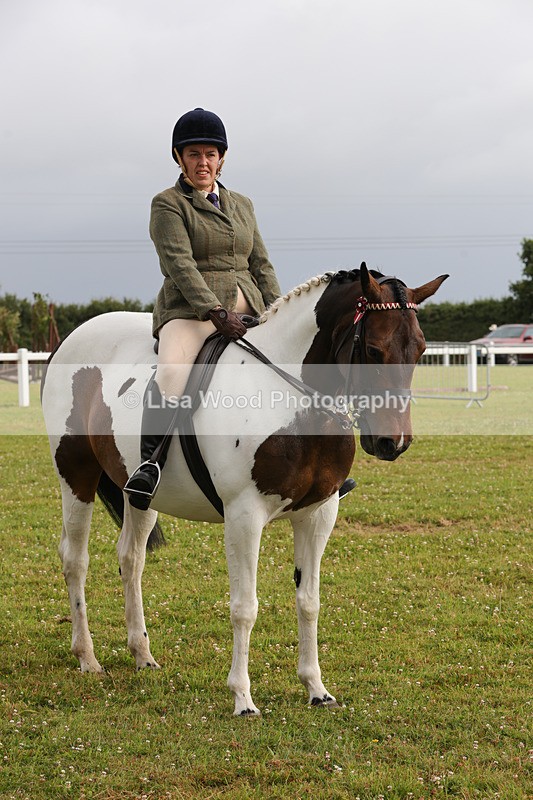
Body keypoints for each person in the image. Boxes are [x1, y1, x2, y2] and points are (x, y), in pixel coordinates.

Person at [124, 108, 282, 509]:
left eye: (210, 154)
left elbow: (260, 263)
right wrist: (214, 311)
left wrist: (279, 310)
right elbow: (179, 264)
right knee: (172, 374)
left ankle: (315, 464)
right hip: (190, 312)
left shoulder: (242, 204)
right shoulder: (168, 204)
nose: (203, 162)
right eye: (193, 154)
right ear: (179, 158)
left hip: (248, 302)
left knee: (290, 363)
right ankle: (151, 463)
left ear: (222, 158)